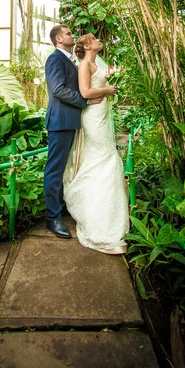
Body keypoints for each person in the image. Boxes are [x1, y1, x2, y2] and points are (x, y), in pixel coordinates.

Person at [63, 33, 129, 254]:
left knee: (104, 159)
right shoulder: (84, 65)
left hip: (102, 114)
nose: (100, 41)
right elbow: (85, 92)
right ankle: (100, 224)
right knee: (106, 158)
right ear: (88, 45)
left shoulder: (96, 63)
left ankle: (108, 215)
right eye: (95, 39)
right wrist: (107, 90)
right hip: (92, 117)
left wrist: (112, 83)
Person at [44, 25, 110, 238]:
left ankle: (60, 207)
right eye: (69, 33)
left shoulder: (68, 60)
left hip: (70, 121)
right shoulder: (54, 59)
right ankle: (52, 217)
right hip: (60, 121)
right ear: (58, 38)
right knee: (55, 169)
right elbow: (57, 90)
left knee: (64, 167)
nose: (72, 35)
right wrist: (85, 100)